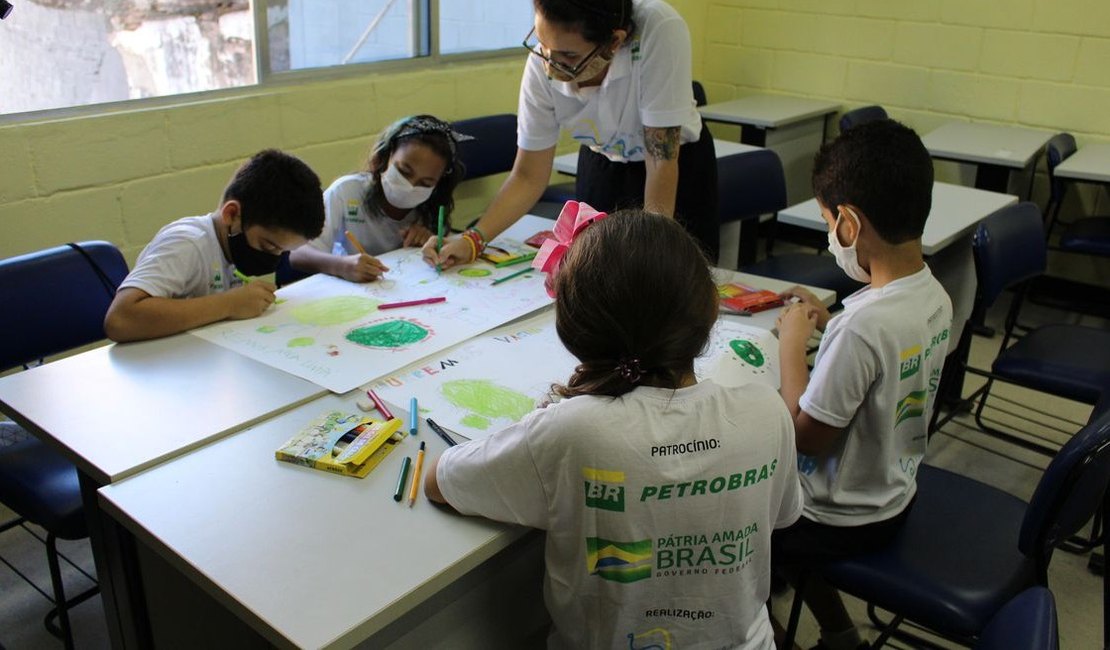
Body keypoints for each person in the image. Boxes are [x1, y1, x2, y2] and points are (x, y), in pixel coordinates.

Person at [424, 206, 802, 649]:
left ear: (573, 327)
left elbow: (439, 481)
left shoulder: (573, 429)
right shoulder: (766, 411)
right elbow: (782, 515)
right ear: (710, 310)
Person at [772, 119, 953, 650]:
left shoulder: (865, 326)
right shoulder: (932, 294)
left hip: (834, 515)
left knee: (739, 518)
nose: (831, 237)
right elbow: (889, 361)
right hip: (892, 492)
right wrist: (827, 328)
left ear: (849, 224)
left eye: (829, 223)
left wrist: (791, 345)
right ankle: (839, 633)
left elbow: (806, 435)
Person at [423, 0, 719, 270]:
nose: (551, 69)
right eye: (543, 46)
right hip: (602, 161)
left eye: (568, 55)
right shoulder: (543, 65)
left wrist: (652, 251)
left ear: (614, 42)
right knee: (597, 274)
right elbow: (528, 175)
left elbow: (661, 162)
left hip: (673, 170)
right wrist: (473, 239)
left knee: (667, 277)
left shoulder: (659, 29)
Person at [104, 149, 325, 342]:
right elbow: (120, 318)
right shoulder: (187, 243)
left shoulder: (231, 248)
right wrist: (229, 304)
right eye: (268, 246)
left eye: (282, 251)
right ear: (232, 214)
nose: (273, 257)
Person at [290, 114, 465, 282]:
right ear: (382, 158)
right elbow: (299, 254)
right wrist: (342, 266)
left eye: (426, 183)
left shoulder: (431, 205)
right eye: (404, 172)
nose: (410, 186)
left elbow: (438, 249)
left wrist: (428, 241)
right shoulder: (346, 191)